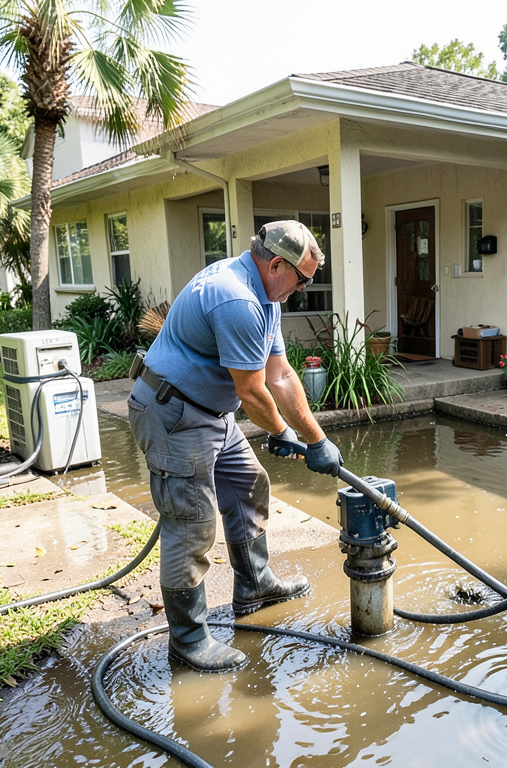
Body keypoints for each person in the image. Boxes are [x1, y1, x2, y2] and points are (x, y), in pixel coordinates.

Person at [127, 220, 343, 673]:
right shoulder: (237, 299)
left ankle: (255, 584)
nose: (302, 289)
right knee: (192, 523)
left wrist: (317, 438)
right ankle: (188, 640)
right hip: (173, 413)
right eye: (301, 280)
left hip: (209, 412)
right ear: (277, 263)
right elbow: (253, 391)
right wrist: (283, 433)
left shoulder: (266, 295)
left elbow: (280, 375)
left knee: (248, 482)